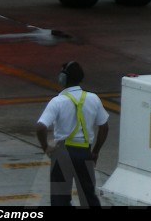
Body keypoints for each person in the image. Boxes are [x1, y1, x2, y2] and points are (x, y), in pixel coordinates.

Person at [36, 61, 110, 207]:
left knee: (60, 199)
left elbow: (40, 127)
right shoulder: (93, 98)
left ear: (63, 78)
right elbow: (104, 127)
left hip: (62, 152)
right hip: (84, 152)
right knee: (88, 197)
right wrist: (95, 151)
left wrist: (46, 147)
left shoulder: (57, 102)